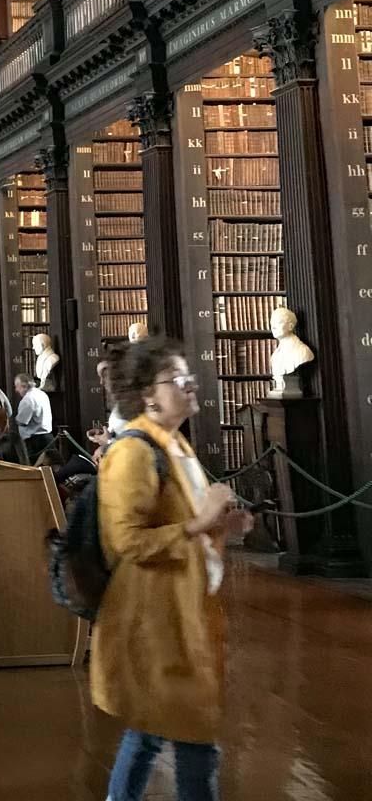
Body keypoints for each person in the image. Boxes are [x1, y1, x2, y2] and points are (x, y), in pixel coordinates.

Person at [93, 337, 253, 801]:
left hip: (185, 610)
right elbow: (126, 540)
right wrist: (199, 523)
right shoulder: (134, 451)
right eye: (177, 380)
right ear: (148, 395)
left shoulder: (174, 443)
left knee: (156, 727)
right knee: (190, 732)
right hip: (155, 614)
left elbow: (184, 522)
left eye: (189, 378)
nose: (189, 386)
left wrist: (222, 525)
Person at [14, 372, 53, 459]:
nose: (16, 390)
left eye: (17, 386)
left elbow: (22, 422)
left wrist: (16, 419)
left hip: (35, 441)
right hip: (48, 437)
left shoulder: (28, 399)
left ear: (24, 385)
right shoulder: (42, 394)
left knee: (35, 469)